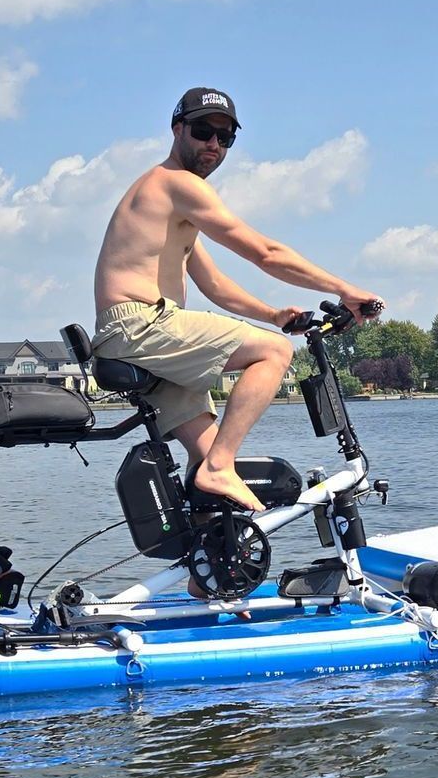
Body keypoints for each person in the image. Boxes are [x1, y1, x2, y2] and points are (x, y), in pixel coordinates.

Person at [92, 87, 382, 512]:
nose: (213, 144)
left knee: (209, 472)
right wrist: (344, 290)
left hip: (142, 338)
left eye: (224, 138)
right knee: (274, 351)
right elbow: (265, 253)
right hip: (141, 325)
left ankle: (208, 570)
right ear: (177, 129)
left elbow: (214, 284)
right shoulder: (177, 184)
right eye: (203, 131)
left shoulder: (172, 205)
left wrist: (274, 313)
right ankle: (220, 466)